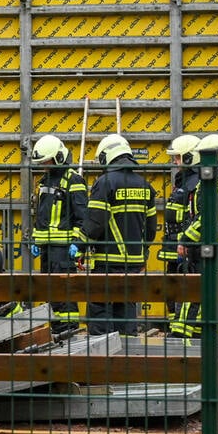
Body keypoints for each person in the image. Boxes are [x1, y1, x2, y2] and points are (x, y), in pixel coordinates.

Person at [81, 133, 157, 336]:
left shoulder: (105, 182)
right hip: (134, 263)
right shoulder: (145, 186)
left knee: (100, 308)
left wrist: (78, 245)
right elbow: (151, 229)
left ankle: (103, 352)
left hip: (107, 260)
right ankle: (127, 351)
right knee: (126, 308)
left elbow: (95, 222)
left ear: (107, 156)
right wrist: (142, 252)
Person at [170, 133, 218, 340]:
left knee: (194, 287)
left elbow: (206, 217)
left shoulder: (213, 181)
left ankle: (180, 331)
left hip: (208, 243)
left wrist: (185, 239)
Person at [28, 134, 88, 336]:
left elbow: (83, 217)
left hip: (64, 251)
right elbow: (42, 215)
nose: (44, 166)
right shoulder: (44, 181)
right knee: (51, 293)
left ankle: (68, 331)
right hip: (47, 250)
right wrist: (36, 240)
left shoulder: (73, 180)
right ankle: (56, 330)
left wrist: (78, 244)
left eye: (46, 161)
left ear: (58, 158)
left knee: (65, 294)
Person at [158, 135, 200, 315]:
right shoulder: (183, 179)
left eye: (178, 157)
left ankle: (181, 325)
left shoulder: (196, 181)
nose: (175, 161)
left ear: (189, 157)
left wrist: (186, 241)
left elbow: (195, 215)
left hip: (186, 246)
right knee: (172, 289)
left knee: (185, 289)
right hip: (174, 244)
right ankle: (175, 324)